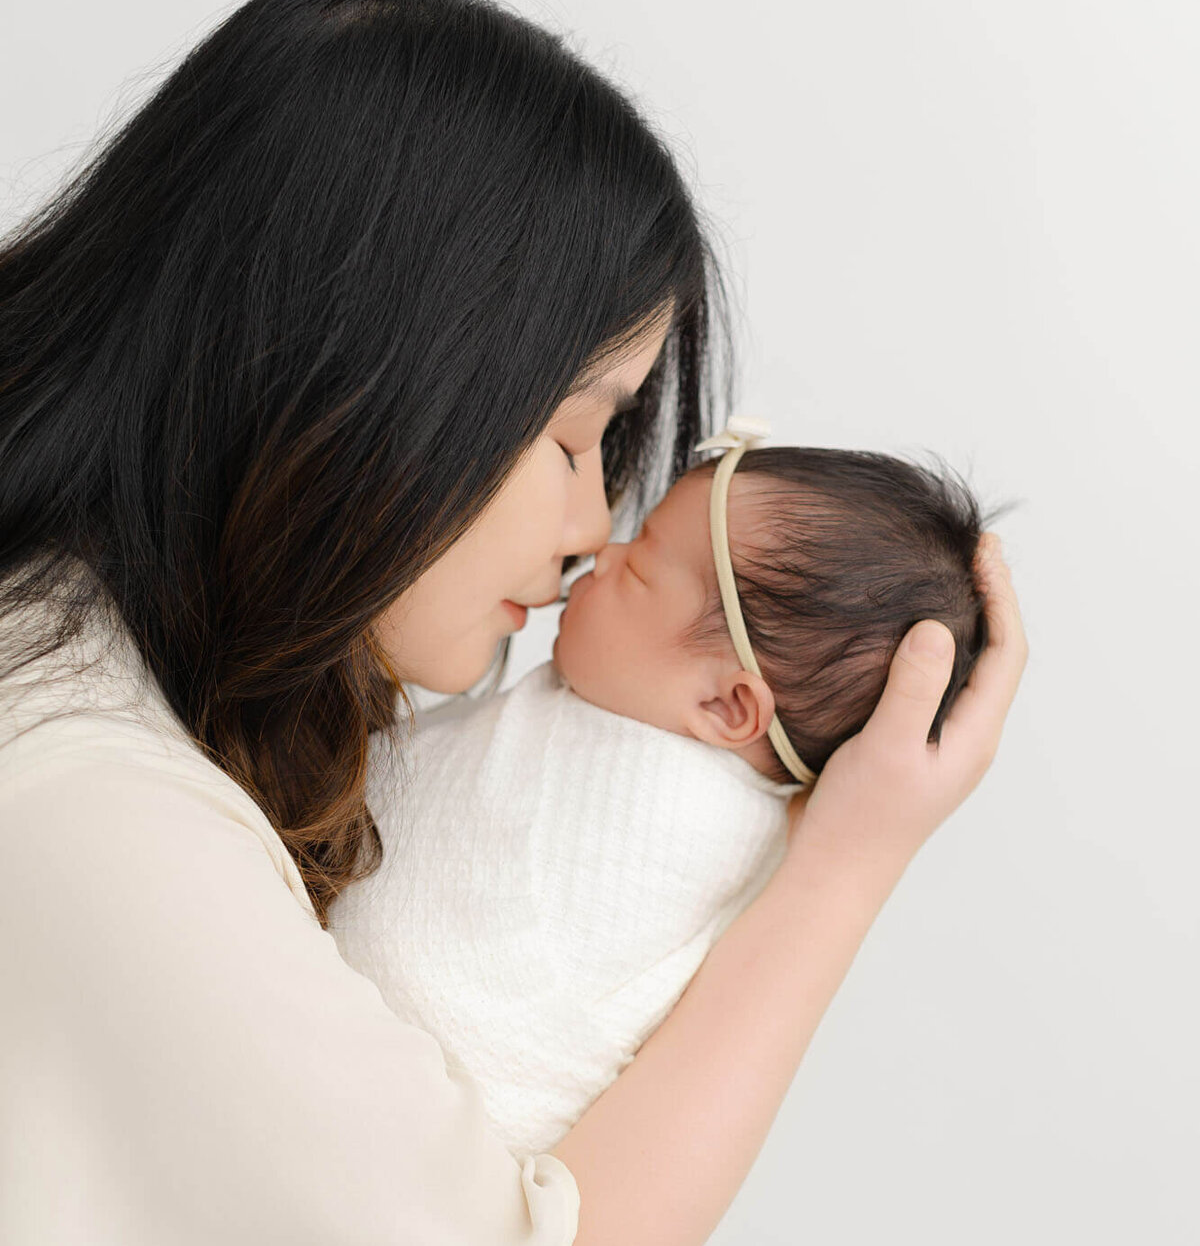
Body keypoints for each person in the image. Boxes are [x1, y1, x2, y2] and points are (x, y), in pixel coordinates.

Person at [0, 0, 1026, 1246]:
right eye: (576, 435)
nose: (592, 523)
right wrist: (847, 865)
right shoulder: (90, 806)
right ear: (369, 367)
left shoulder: (149, 676)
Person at [330, 427, 995, 1161]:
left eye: (639, 567)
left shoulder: (654, 823)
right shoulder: (628, 709)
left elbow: (412, 952)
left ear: (725, 707)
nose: (599, 553)